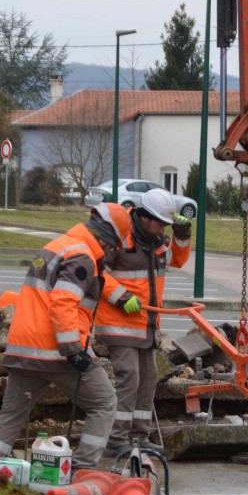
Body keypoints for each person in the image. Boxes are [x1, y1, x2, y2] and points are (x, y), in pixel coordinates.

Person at [0, 203, 133, 471]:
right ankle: (83, 473)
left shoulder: (58, 246)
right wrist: (73, 350)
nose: (111, 252)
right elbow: (63, 303)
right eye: (113, 246)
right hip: (56, 350)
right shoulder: (82, 257)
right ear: (107, 239)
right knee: (104, 402)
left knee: (11, 415)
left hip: (25, 348)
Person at [94, 187, 191, 454]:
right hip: (119, 323)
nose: (163, 230)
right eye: (161, 223)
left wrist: (182, 236)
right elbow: (98, 272)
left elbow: (177, 260)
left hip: (146, 326)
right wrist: (121, 296)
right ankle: (116, 441)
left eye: (166, 225)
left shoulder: (157, 241)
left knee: (149, 379)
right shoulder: (119, 236)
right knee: (130, 378)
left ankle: (139, 437)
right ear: (145, 217)